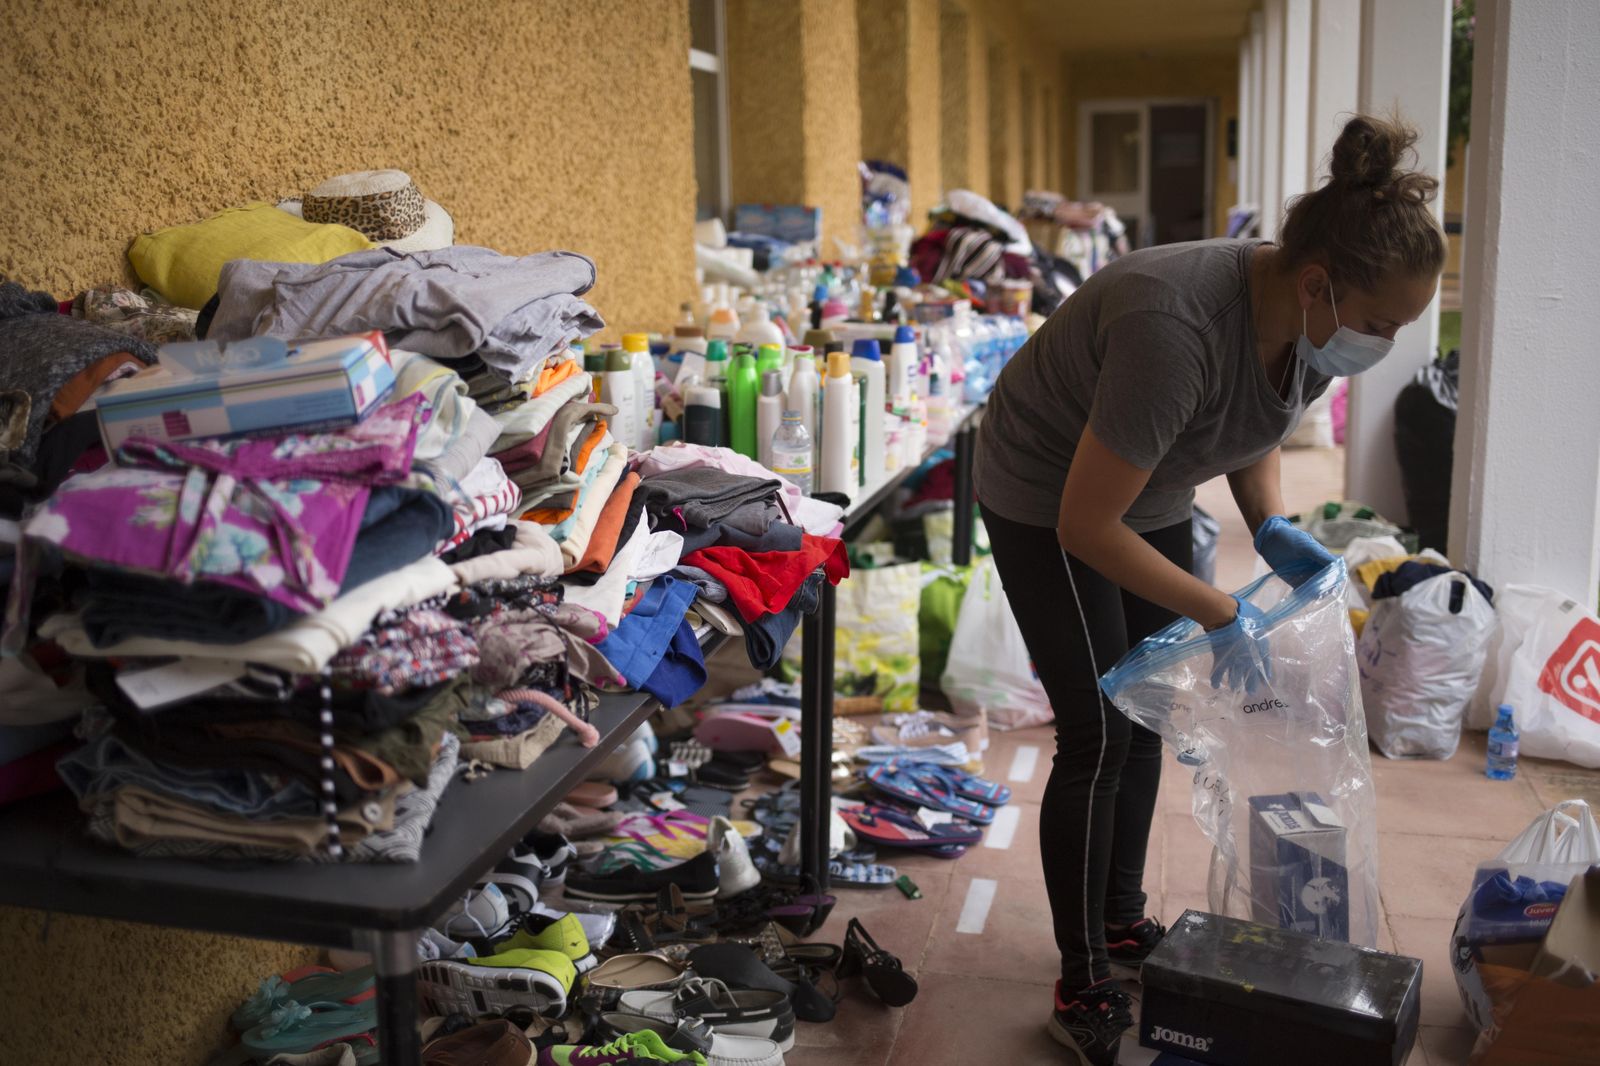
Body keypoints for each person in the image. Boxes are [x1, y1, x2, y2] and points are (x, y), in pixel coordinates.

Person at [973, 114, 1445, 1065]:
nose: (1386, 342)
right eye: (1384, 323)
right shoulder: (1173, 324)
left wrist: (1271, 524)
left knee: (1150, 706)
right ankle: (1080, 981)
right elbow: (1083, 526)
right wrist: (1218, 605)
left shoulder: (1311, 324)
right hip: (1047, 491)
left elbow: (1254, 418)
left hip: (1140, 488)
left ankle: (1116, 923)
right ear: (1318, 282)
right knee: (1097, 726)